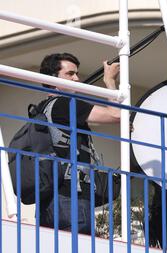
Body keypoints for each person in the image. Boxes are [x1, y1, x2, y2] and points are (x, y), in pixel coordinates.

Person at [38, 53, 121, 235]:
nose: (76, 78)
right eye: (70, 74)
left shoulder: (44, 107)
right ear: (53, 78)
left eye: (77, 74)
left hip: (50, 202)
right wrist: (109, 81)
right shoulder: (64, 104)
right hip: (71, 199)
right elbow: (116, 115)